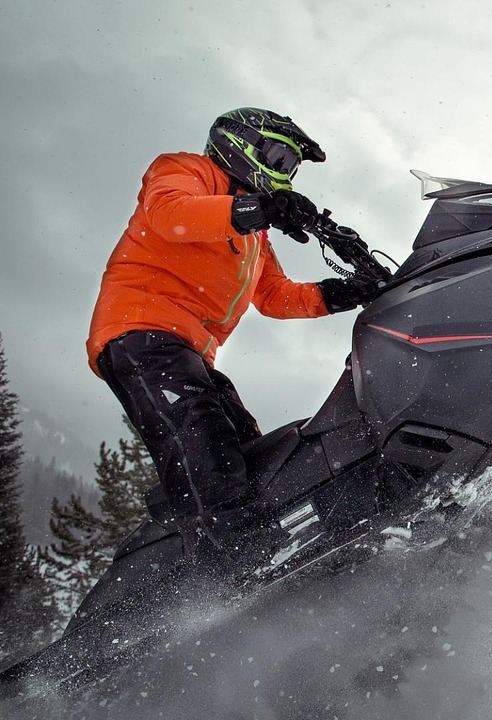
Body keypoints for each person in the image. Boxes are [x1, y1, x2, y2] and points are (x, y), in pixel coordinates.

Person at [86, 107, 375, 569]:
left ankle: (263, 546)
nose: (284, 176)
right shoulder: (186, 171)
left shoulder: (252, 235)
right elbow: (169, 214)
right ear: (240, 143)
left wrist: (341, 293)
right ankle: (231, 562)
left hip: (192, 351)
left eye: (292, 169)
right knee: (201, 433)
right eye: (279, 159)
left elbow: (274, 295)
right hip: (138, 329)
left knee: (249, 448)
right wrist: (256, 209)